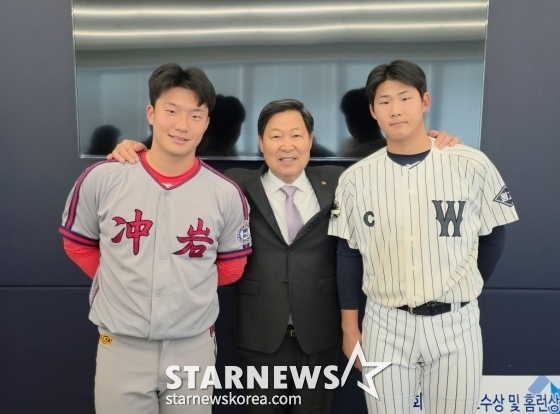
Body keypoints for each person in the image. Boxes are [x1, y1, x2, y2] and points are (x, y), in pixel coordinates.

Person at [109, 97, 460, 413]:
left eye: (296, 135)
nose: (286, 145)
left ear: (310, 140)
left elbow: (392, 169)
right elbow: (180, 172)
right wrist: (136, 151)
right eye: (275, 136)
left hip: (320, 332)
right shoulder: (235, 185)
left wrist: (431, 141)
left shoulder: (339, 181)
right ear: (261, 142)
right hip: (259, 331)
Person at [328, 60, 519, 414]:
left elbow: (493, 238)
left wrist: (462, 284)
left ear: (425, 101)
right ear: (372, 111)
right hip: (385, 324)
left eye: (405, 98)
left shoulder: (471, 164)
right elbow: (348, 253)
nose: (395, 110)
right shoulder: (356, 179)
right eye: (385, 101)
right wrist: (349, 328)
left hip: (455, 324)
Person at [59, 63, 252, 414]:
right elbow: (77, 244)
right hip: (121, 344)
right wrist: (126, 282)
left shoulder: (225, 193)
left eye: (195, 115)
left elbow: (231, 268)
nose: (182, 125)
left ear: (206, 122)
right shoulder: (103, 178)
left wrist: (183, 287)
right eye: (171, 111)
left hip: (192, 347)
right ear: (151, 113)